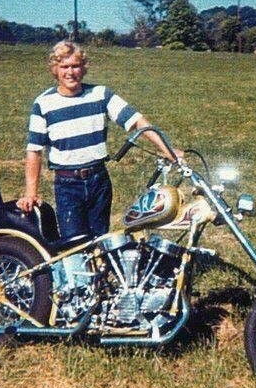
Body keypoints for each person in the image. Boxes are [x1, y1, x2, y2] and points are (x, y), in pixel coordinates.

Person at [17, 40, 183, 239]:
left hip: (99, 181)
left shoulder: (100, 94)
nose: (70, 72)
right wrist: (31, 193)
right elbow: (34, 151)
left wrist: (169, 151)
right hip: (67, 185)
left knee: (100, 241)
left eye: (76, 66)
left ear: (84, 68)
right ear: (55, 69)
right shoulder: (43, 103)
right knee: (74, 243)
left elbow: (138, 122)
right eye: (64, 67)